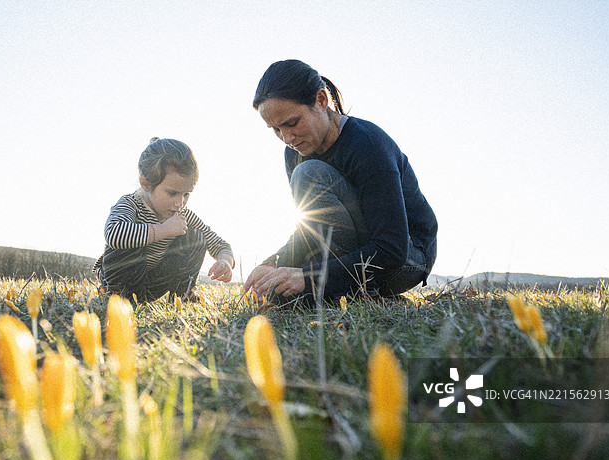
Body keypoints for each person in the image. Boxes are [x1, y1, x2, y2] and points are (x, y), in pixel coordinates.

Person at [243, 59, 437, 304]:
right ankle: (344, 292)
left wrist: (310, 277)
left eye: (292, 123)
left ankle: (350, 292)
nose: (287, 138)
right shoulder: (294, 152)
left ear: (321, 100)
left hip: (405, 261)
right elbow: (308, 226)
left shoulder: (367, 144)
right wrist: (273, 263)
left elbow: (392, 249)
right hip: (349, 256)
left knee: (308, 174)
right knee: (278, 292)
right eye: (275, 130)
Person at [94, 137, 234, 301]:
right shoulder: (130, 204)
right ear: (145, 183)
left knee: (196, 235)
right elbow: (113, 234)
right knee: (128, 234)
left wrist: (225, 261)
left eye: (186, 194)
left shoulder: (182, 214)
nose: (179, 202)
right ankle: (117, 296)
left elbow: (217, 242)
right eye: (173, 193)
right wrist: (163, 230)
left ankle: (182, 294)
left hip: (154, 285)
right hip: (122, 281)